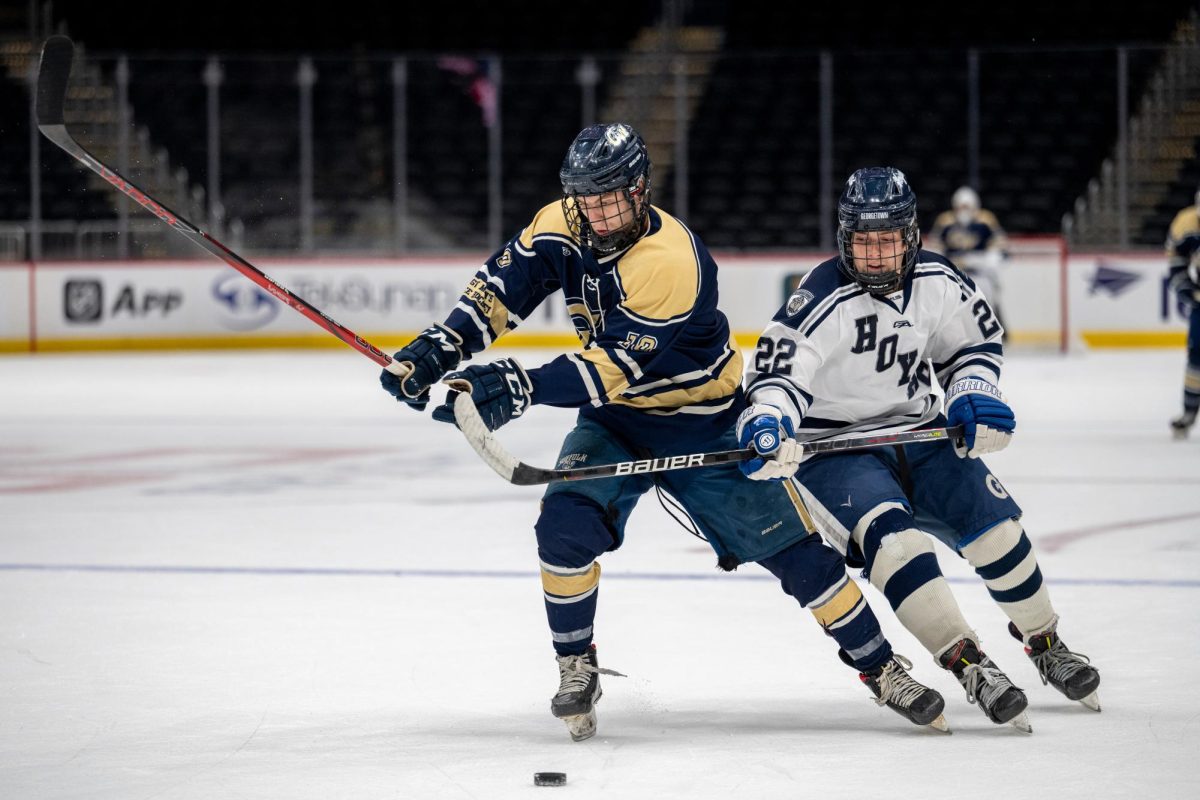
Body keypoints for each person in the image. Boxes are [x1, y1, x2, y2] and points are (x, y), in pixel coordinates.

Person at [379, 125, 946, 740]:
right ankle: (576, 665)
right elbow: (498, 291)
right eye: (584, 200)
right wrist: (442, 346)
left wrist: (516, 386)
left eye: (608, 199)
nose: (595, 214)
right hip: (619, 421)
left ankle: (882, 668)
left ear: (640, 189)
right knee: (563, 528)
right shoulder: (559, 223)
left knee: (800, 557)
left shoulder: (673, 261)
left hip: (706, 420)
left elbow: (607, 369)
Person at [738, 167, 1101, 732]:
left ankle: (1046, 642)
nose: (877, 254)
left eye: (888, 240)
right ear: (844, 239)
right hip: (837, 449)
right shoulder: (817, 296)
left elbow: (973, 343)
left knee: (998, 530)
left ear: (910, 236)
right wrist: (769, 423)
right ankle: (969, 662)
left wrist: (972, 392)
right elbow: (776, 376)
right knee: (898, 545)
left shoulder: (939, 278)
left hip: (922, 431)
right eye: (864, 241)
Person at [927, 186, 1009, 335]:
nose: (963, 211)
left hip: (979, 273)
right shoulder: (945, 221)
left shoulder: (986, 220)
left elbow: (1000, 250)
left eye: (967, 207)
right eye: (960, 207)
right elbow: (934, 249)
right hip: (953, 274)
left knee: (985, 299)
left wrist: (977, 260)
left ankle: (989, 331)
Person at [1165, 186, 1200, 439]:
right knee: (1196, 355)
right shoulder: (1186, 223)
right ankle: (1189, 412)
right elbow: (1176, 264)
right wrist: (1188, 291)